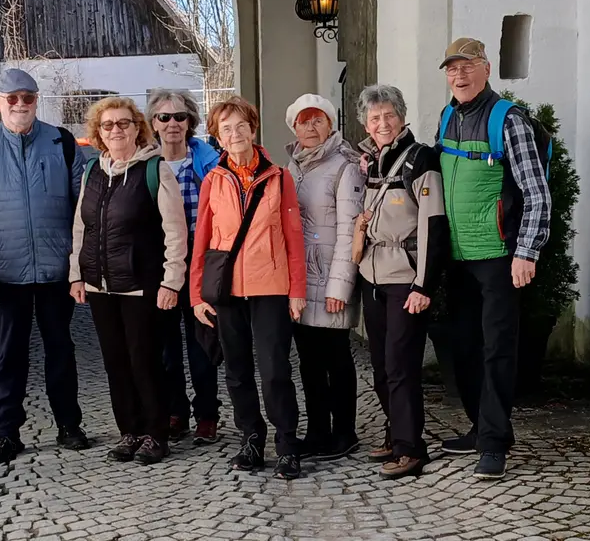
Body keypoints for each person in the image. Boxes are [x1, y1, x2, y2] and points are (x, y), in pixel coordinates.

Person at [0, 68, 89, 467]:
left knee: (61, 349)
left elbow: (84, 211)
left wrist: (79, 267)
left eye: (27, 97)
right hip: (6, 274)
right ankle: (5, 432)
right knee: (9, 355)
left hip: (56, 271)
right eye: (11, 98)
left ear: (36, 101)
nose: (20, 105)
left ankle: (69, 424)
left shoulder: (62, 143)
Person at [434, 38, 551, 480]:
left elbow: (537, 192)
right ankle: (480, 428)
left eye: (467, 66)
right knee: (463, 346)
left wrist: (526, 251)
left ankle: (495, 442)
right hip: (458, 255)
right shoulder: (448, 115)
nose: (459, 75)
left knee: (497, 350)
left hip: (499, 255)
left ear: (486, 69)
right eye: (452, 69)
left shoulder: (509, 120)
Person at [189, 95, 307, 480]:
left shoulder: (278, 177)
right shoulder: (213, 180)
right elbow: (202, 240)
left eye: (241, 126)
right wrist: (196, 295)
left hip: (271, 286)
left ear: (253, 129)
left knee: (274, 370)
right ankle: (251, 438)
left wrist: (297, 290)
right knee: (237, 371)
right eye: (226, 129)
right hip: (226, 289)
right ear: (218, 137)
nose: (235, 133)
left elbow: (293, 236)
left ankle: (286, 444)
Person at [69, 96, 187, 465]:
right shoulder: (92, 171)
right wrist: (76, 275)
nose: (116, 130)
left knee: (145, 361)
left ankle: (156, 434)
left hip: (141, 283)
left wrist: (172, 281)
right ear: (98, 133)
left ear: (138, 128)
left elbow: (176, 231)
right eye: (108, 125)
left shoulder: (155, 170)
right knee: (115, 362)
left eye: (124, 123)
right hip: (100, 285)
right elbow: (81, 227)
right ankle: (130, 431)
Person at [352, 84, 448, 479]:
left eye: (389, 115)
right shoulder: (371, 161)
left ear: (402, 117)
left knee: (400, 365)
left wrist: (424, 285)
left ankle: (411, 448)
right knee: (379, 364)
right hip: (373, 276)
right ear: (366, 124)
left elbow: (432, 223)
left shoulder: (420, 158)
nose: (383, 123)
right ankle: (396, 434)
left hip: (406, 279)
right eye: (374, 118)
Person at [283, 94, 364, 462]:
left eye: (318, 120)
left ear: (331, 124)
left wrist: (340, 286)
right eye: (304, 121)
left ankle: (344, 432)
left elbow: (350, 230)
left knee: (336, 358)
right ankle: (317, 431)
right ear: (294, 127)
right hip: (301, 281)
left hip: (331, 278)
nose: (311, 127)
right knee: (309, 361)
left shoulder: (345, 165)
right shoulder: (292, 166)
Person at [146, 89, 222, 445]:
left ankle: (207, 414)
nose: (172, 123)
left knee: (202, 342)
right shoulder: (146, 164)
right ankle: (174, 412)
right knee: (165, 346)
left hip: (201, 263)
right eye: (164, 117)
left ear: (190, 122)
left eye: (180, 116)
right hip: (161, 265)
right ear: (153, 123)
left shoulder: (208, 163)